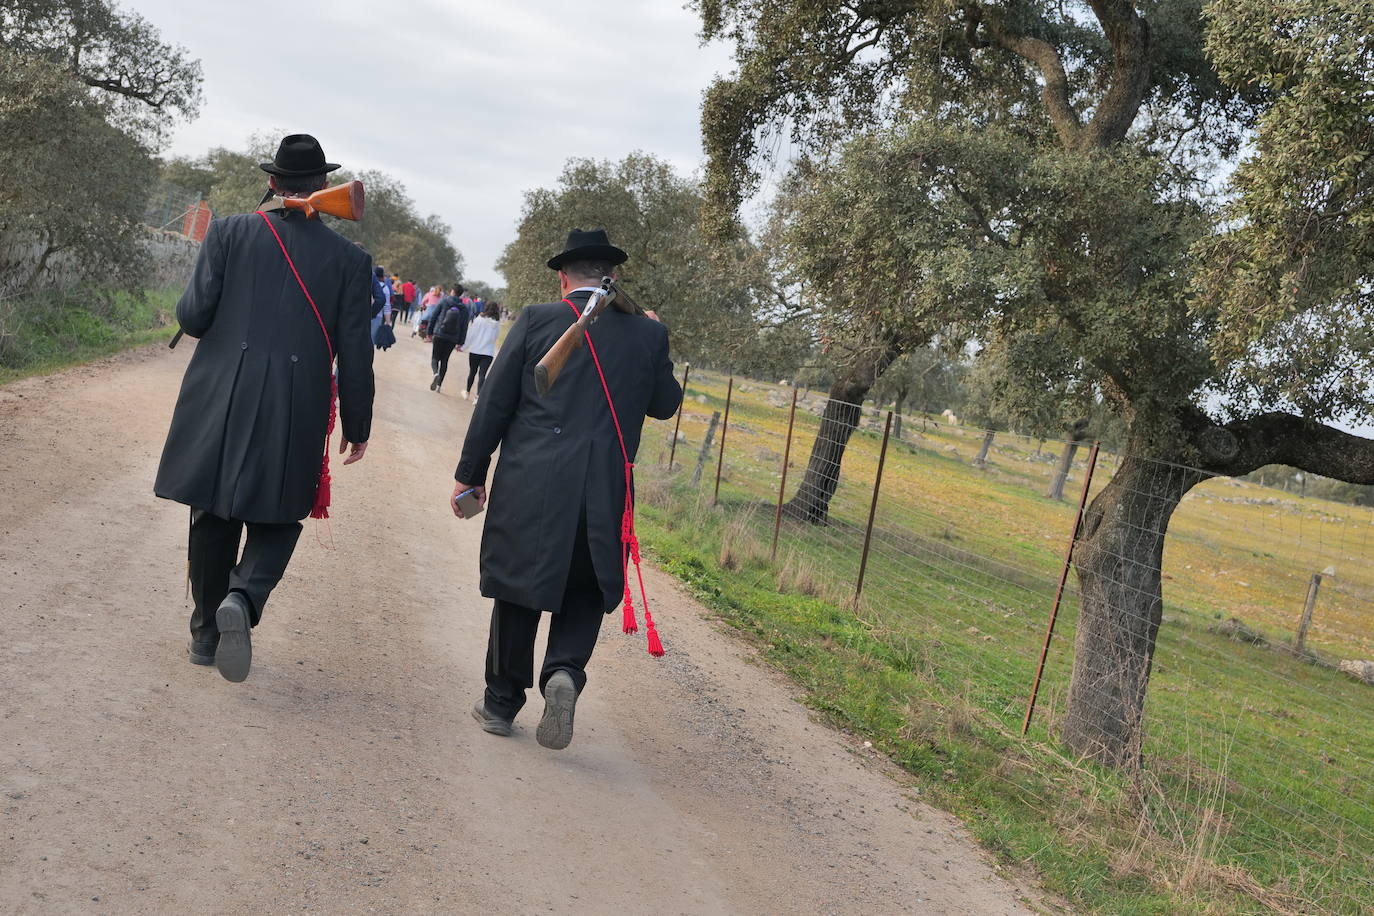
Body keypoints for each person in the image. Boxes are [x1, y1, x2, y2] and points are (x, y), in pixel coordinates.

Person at [155, 133, 374, 683]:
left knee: (212, 511)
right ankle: (245, 598)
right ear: (324, 188)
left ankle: (206, 635)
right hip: (298, 400)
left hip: (221, 390)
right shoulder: (351, 259)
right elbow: (355, 350)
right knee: (282, 511)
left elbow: (195, 316)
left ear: (272, 183)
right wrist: (358, 423)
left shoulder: (229, 231)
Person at [452, 228, 682, 749]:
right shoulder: (647, 335)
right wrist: (657, 335)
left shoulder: (536, 319)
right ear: (612, 276)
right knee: (585, 588)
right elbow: (666, 404)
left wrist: (471, 472)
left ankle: (500, 703)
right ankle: (563, 675)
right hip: (605, 488)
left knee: (517, 590)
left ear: (563, 277)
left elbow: (494, 404)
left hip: (532, 481)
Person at [462, 299, 501, 402]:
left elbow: (471, 334)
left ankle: (467, 392)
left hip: (475, 350)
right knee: (482, 375)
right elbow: (496, 337)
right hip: (488, 353)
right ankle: (478, 397)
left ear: (486, 308)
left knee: (472, 372)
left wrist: (463, 347)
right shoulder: (497, 323)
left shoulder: (479, 319)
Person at [429, 291, 468, 392]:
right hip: (453, 338)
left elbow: (433, 316)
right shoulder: (464, 308)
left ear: (452, 291)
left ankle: (435, 373)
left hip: (439, 334)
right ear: (460, 294)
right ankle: (439, 386)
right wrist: (461, 342)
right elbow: (464, 326)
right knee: (445, 360)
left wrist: (429, 331)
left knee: (435, 357)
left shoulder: (444, 301)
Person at [371, 265, 391, 343]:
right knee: (371, 341)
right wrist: (388, 322)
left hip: (364, 314)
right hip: (377, 316)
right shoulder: (385, 288)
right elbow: (386, 306)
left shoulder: (367, 283)